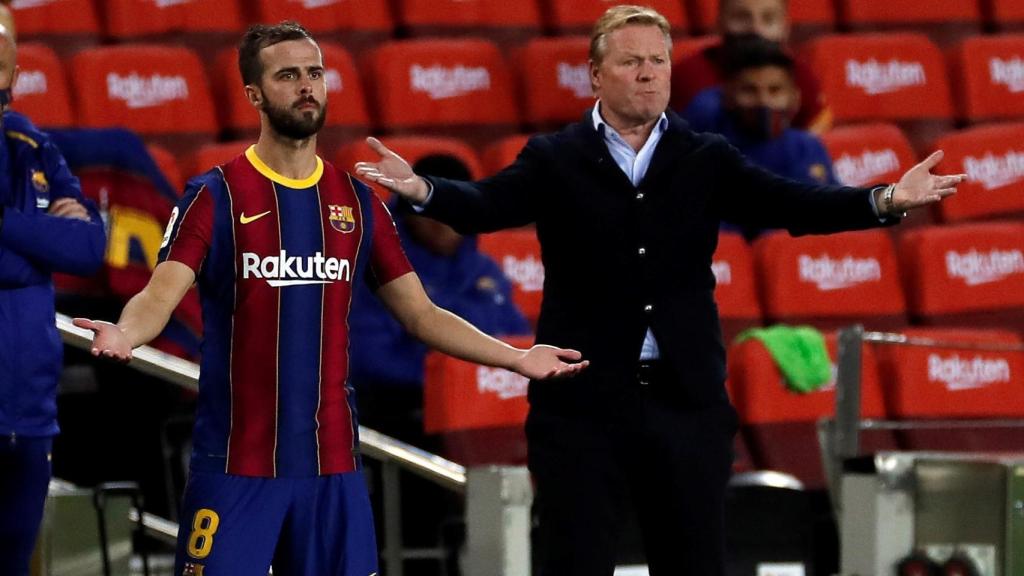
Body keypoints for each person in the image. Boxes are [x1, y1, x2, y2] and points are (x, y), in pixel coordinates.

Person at [354, 5, 964, 575]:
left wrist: (886, 199)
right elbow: (485, 205)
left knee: (696, 560)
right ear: (596, 75)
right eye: (630, 61)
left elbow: (796, 203)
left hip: (687, 403)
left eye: (658, 61)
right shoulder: (556, 158)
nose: (647, 74)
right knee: (574, 559)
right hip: (583, 403)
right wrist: (423, 190)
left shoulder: (705, 157)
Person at [73, 21, 586, 576]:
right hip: (235, 467)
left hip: (334, 469)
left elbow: (421, 314)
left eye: (314, 72)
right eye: (288, 75)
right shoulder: (215, 195)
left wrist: (517, 357)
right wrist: (126, 333)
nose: (306, 86)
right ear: (253, 94)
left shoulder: (359, 202)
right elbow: (159, 294)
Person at [0, 24, 107, 576]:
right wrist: (42, 239)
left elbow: (90, 247)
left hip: (30, 409)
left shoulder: (31, 144)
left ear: (14, 76)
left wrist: (9, 229)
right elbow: (53, 249)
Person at [350, 153, 531, 444]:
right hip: (402, 418)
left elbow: (518, 336)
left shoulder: (484, 270)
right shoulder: (376, 265)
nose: (443, 224)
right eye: (431, 213)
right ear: (409, 209)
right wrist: (450, 381)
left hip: (480, 414)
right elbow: (367, 359)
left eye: (452, 212)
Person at [683, 34, 837, 239]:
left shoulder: (807, 147)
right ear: (727, 95)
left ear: (794, 97)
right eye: (749, 90)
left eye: (775, 91)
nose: (764, 101)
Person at [671, 0, 831, 133]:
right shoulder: (687, 77)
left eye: (768, 19)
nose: (756, 29)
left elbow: (818, 126)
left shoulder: (799, 75)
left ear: (785, 27)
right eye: (741, 18)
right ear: (719, 23)